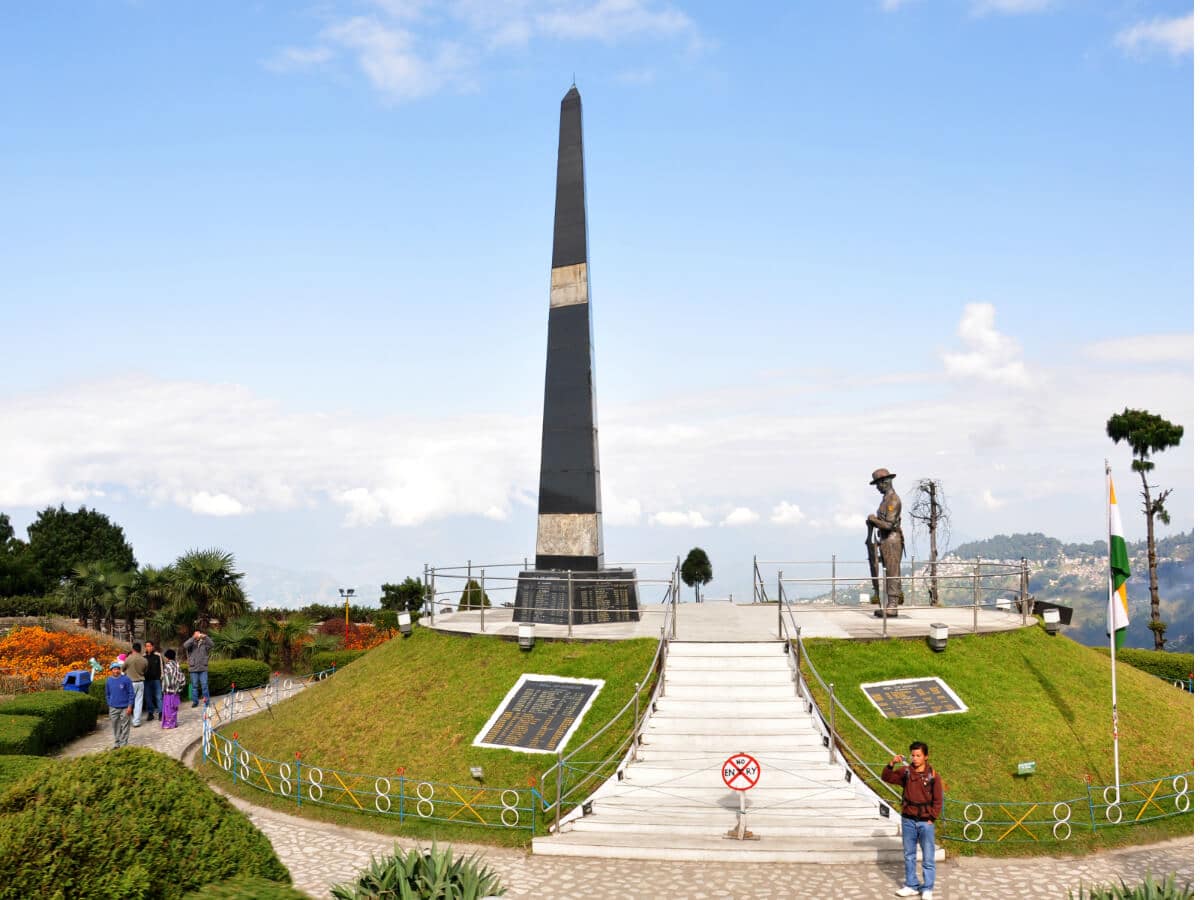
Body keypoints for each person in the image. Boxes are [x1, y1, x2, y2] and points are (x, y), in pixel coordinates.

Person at [882, 741, 944, 900]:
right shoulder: (906, 772)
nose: (915, 758)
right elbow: (886, 777)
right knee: (909, 855)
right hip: (908, 820)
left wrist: (932, 817)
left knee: (928, 857)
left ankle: (928, 888)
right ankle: (911, 885)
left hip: (925, 822)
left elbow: (938, 800)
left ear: (926, 756)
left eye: (918, 755)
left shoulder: (934, 776)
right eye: (913, 755)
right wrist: (891, 763)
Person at [867, 467, 905, 616]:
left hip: (892, 540)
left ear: (885, 482)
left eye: (878, 484)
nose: (877, 487)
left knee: (893, 571)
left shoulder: (893, 500)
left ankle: (893, 606)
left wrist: (873, 520)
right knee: (889, 571)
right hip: (885, 540)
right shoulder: (886, 500)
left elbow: (889, 525)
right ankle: (889, 604)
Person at [104, 660, 134, 749]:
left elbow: (131, 693)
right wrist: (110, 703)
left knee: (125, 726)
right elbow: (107, 694)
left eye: (117, 669)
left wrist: (130, 706)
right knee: (115, 726)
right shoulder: (109, 680)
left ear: (120, 670)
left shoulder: (126, 679)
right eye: (114, 669)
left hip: (125, 707)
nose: (116, 671)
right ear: (111, 670)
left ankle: (123, 744)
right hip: (113, 708)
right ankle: (117, 743)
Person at [182, 630, 213, 707]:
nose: (198, 635)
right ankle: (195, 702)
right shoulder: (191, 643)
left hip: (203, 667)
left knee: (205, 685)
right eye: (196, 633)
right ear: (193, 634)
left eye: (199, 633)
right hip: (193, 668)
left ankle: (207, 702)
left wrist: (206, 637)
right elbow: (185, 645)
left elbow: (212, 645)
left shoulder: (204, 642)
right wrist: (193, 638)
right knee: (194, 686)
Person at [123, 642, 148, 726]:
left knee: (128, 701)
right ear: (140, 649)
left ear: (133, 649)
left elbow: (122, 668)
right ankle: (136, 721)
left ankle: (127, 719)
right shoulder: (144, 659)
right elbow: (145, 670)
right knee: (139, 702)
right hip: (140, 682)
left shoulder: (129, 658)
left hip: (130, 682)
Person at [160, 648, 185, 729]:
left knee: (168, 708)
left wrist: (164, 689)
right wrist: (179, 688)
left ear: (167, 657)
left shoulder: (167, 666)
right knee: (174, 707)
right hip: (176, 691)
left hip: (168, 691)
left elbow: (166, 680)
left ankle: (168, 724)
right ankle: (173, 723)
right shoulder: (177, 665)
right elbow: (181, 678)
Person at [142, 639, 163, 722]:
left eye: (150, 646)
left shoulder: (158, 656)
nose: (148, 648)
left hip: (156, 679)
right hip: (147, 680)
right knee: (148, 697)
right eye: (147, 646)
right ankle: (150, 713)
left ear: (153, 646)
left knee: (159, 697)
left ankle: (161, 713)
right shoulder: (143, 657)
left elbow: (161, 666)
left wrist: (161, 676)